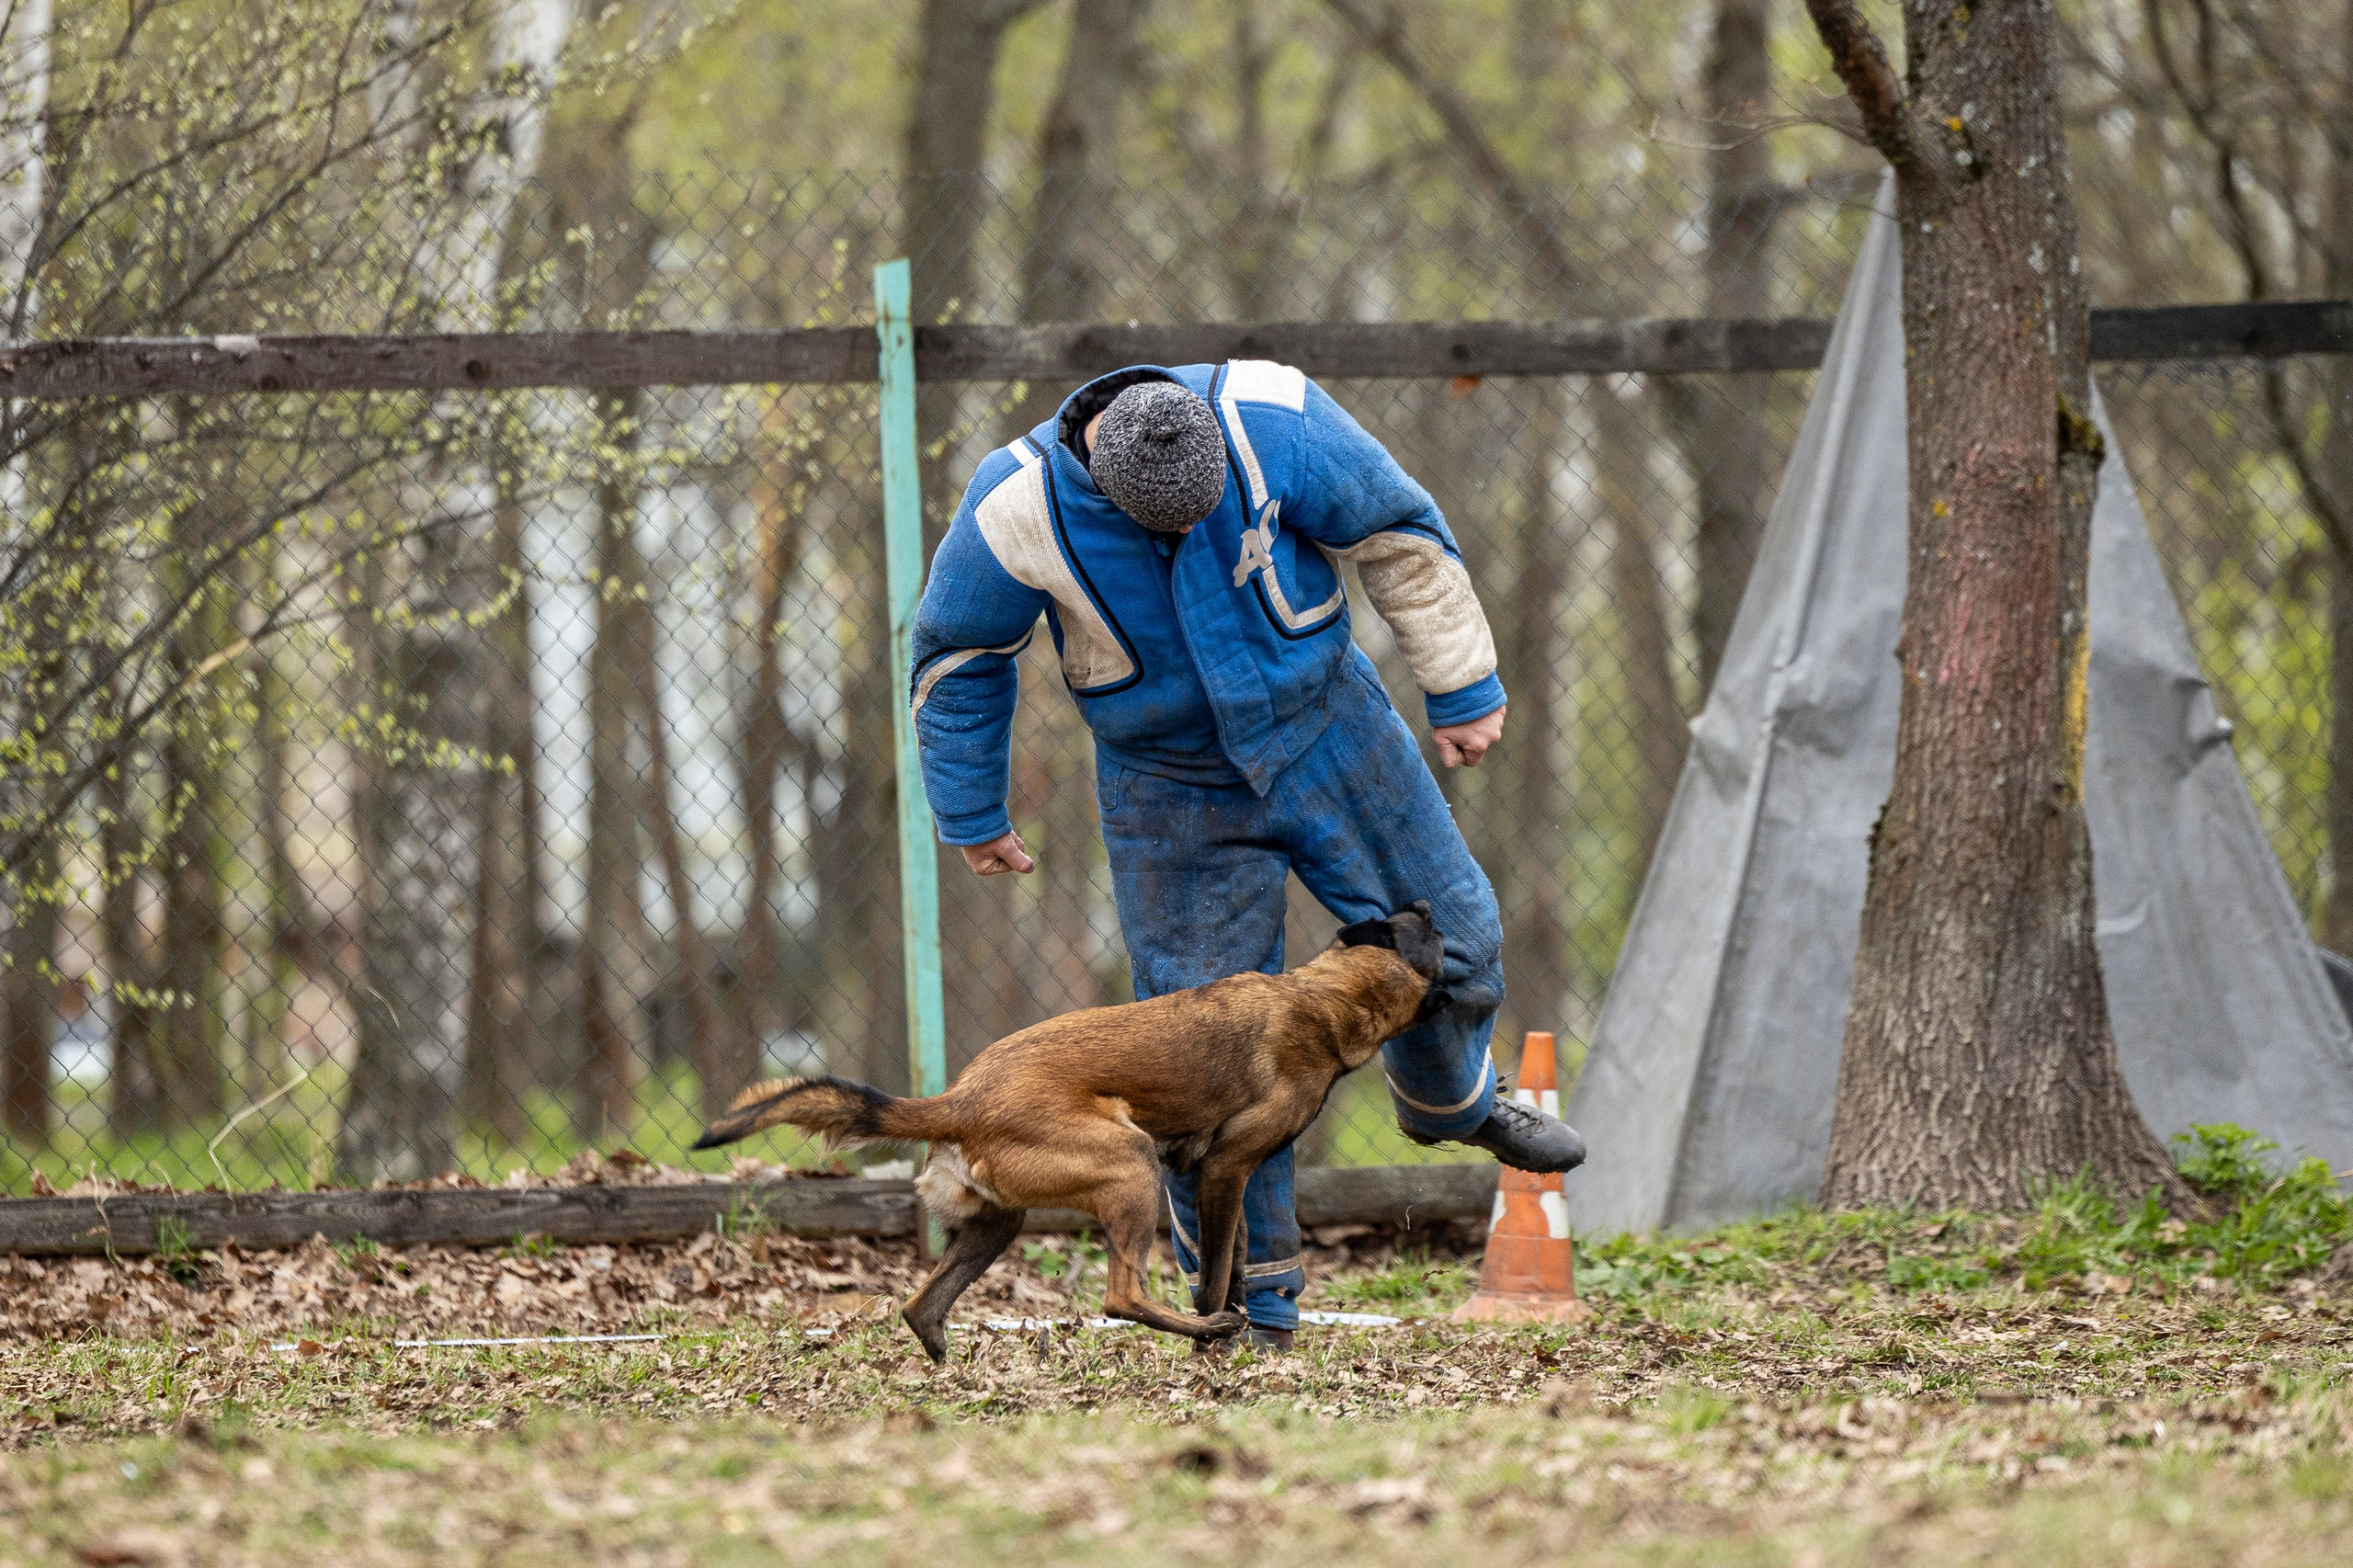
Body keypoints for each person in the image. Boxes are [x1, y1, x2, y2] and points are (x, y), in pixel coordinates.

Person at [909, 362, 1586, 1349]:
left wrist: (1463, 684)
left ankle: (1452, 1105)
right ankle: (1250, 1308)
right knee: (1207, 1066)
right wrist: (971, 809)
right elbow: (957, 657)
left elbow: (1399, 532)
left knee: (1457, 936)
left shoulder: (1275, 415)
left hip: (1327, 725)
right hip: (1164, 780)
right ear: (1103, 480)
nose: (1189, 539)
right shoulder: (1014, 503)